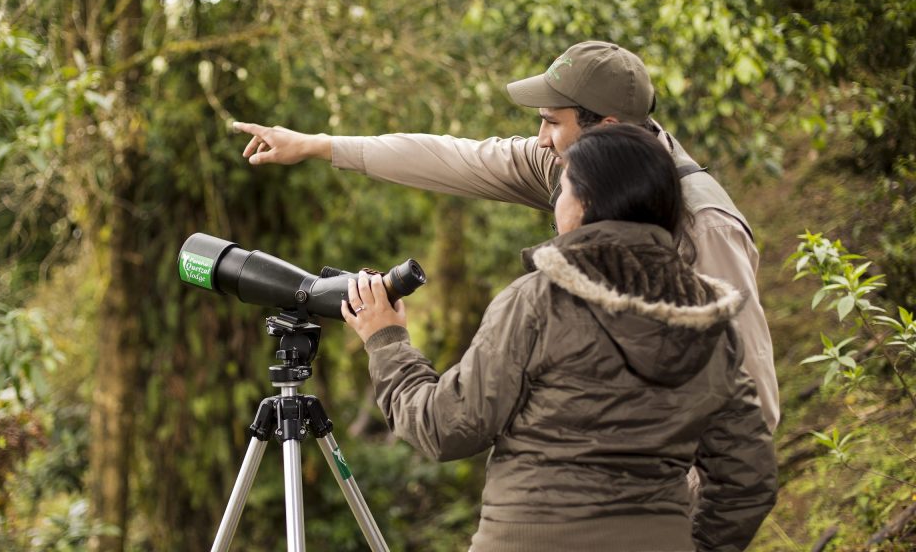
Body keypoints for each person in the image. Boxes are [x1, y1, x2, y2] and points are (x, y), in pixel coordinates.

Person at [232, 40, 780, 432]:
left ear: (606, 128)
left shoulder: (704, 224)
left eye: (551, 121)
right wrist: (319, 144)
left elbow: (751, 396)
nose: (539, 139)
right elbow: (451, 157)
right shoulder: (565, 164)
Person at [339, 124, 777, 552]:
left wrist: (387, 340)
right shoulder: (711, 322)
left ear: (585, 204)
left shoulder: (537, 302)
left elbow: (446, 428)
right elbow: (748, 480)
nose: (556, 203)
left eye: (563, 189)